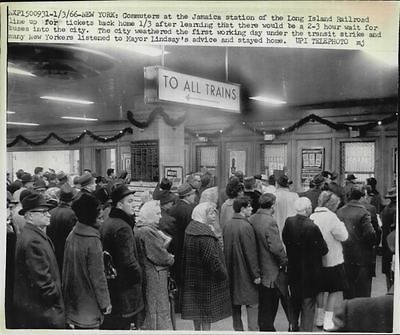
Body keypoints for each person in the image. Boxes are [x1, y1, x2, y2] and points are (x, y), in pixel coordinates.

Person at [13, 193, 65, 328]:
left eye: (48, 211)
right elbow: (43, 284)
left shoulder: (33, 234)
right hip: (44, 312)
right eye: (43, 212)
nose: (49, 215)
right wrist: (56, 300)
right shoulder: (33, 241)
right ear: (30, 215)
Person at [63, 194, 111, 329]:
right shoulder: (93, 240)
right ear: (90, 217)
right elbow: (98, 276)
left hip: (74, 303)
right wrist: (105, 303)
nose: (102, 220)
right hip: (89, 306)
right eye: (99, 217)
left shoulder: (72, 235)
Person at [181, 202, 231, 331]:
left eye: (214, 212)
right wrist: (223, 274)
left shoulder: (191, 229)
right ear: (202, 214)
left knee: (196, 313)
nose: (214, 215)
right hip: (206, 281)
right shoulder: (205, 235)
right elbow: (212, 261)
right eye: (210, 212)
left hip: (193, 278)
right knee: (206, 315)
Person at [100, 184, 143, 330]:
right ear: (119, 204)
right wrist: (139, 275)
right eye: (129, 202)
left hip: (113, 285)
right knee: (124, 325)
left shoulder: (108, 222)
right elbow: (128, 262)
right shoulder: (123, 227)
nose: (133, 205)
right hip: (125, 290)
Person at [282, 197, 328, 332]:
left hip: (293, 269)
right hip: (310, 272)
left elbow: (285, 239)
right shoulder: (312, 226)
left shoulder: (289, 222)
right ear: (308, 209)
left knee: (294, 301)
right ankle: (305, 331)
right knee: (308, 305)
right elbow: (323, 249)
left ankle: (293, 327)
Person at [249, 193, 291, 331]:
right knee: (271, 304)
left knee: (262, 303)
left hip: (257, 266)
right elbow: (276, 247)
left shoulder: (252, 218)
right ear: (272, 206)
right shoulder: (270, 221)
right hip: (270, 269)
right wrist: (285, 261)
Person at [310, 191, 349, 331]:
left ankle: (319, 318)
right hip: (333, 260)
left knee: (320, 290)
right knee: (333, 290)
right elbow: (343, 236)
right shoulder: (332, 218)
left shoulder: (312, 216)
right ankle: (328, 321)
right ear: (333, 205)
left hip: (317, 261)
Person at [135, 200, 175, 330]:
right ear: (150, 214)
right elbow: (160, 257)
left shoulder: (140, 228)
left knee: (152, 308)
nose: (160, 216)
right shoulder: (148, 231)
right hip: (154, 276)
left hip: (148, 273)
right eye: (157, 213)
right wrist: (170, 258)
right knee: (157, 308)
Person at [223, 196, 261, 331]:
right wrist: (256, 274)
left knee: (235, 307)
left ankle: (238, 330)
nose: (251, 209)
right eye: (249, 206)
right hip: (245, 273)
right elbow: (251, 253)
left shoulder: (227, 225)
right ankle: (253, 330)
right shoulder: (246, 226)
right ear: (243, 208)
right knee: (252, 304)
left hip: (232, 272)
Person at [337, 188, 376, 299]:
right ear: (361, 197)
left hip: (345, 255)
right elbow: (370, 233)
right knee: (363, 291)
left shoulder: (340, 211)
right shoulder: (366, 211)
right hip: (363, 255)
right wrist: (372, 244)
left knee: (348, 290)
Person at [169, 183, 197, 310]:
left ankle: (176, 303)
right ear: (187, 196)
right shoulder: (190, 210)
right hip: (185, 247)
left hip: (174, 246)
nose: (195, 196)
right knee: (186, 277)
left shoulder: (173, 208)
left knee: (176, 275)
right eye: (193, 194)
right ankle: (184, 305)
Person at [47, 183, 77, 274]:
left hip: (53, 252)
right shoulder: (73, 214)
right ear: (72, 200)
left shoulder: (51, 212)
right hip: (68, 254)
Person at [381, 187, 396, 290]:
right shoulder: (395, 210)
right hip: (393, 241)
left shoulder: (386, 209)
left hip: (386, 242)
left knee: (388, 270)